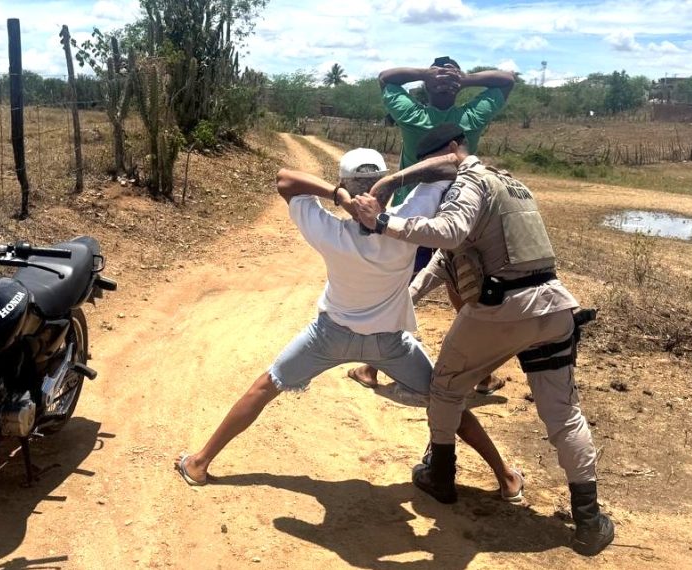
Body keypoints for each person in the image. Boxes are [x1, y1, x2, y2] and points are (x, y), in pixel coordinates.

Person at [176, 149, 523, 502]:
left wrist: (337, 195)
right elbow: (452, 164)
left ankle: (200, 463)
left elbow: (285, 180)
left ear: (345, 183)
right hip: (389, 344)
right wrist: (395, 182)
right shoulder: (407, 223)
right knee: (446, 402)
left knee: (266, 386)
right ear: (383, 184)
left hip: (329, 337)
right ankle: (506, 477)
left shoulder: (329, 231)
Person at [352, 124, 615, 556]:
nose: (425, 172)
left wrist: (381, 221)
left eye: (429, 162)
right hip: (552, 307)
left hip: (502, 310)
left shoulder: (469, 180)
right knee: (564, 415)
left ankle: (440, 475)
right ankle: (588, 520)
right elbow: (443, 262)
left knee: (444, 388)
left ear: (454, 149)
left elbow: (448, 233)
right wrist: (397, 304)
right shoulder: (511, 185)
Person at [348, 58, 516, 394]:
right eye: (442, 74)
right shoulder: (470, 118)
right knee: (465, 291)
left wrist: (428, 75)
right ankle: (481, 375)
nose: (445, 78)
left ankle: (371, 366)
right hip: (463, 218)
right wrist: (463, 79)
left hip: (416, 220)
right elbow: (507, 80)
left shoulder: (413, 115)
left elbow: (386, 78)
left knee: (402, 288)